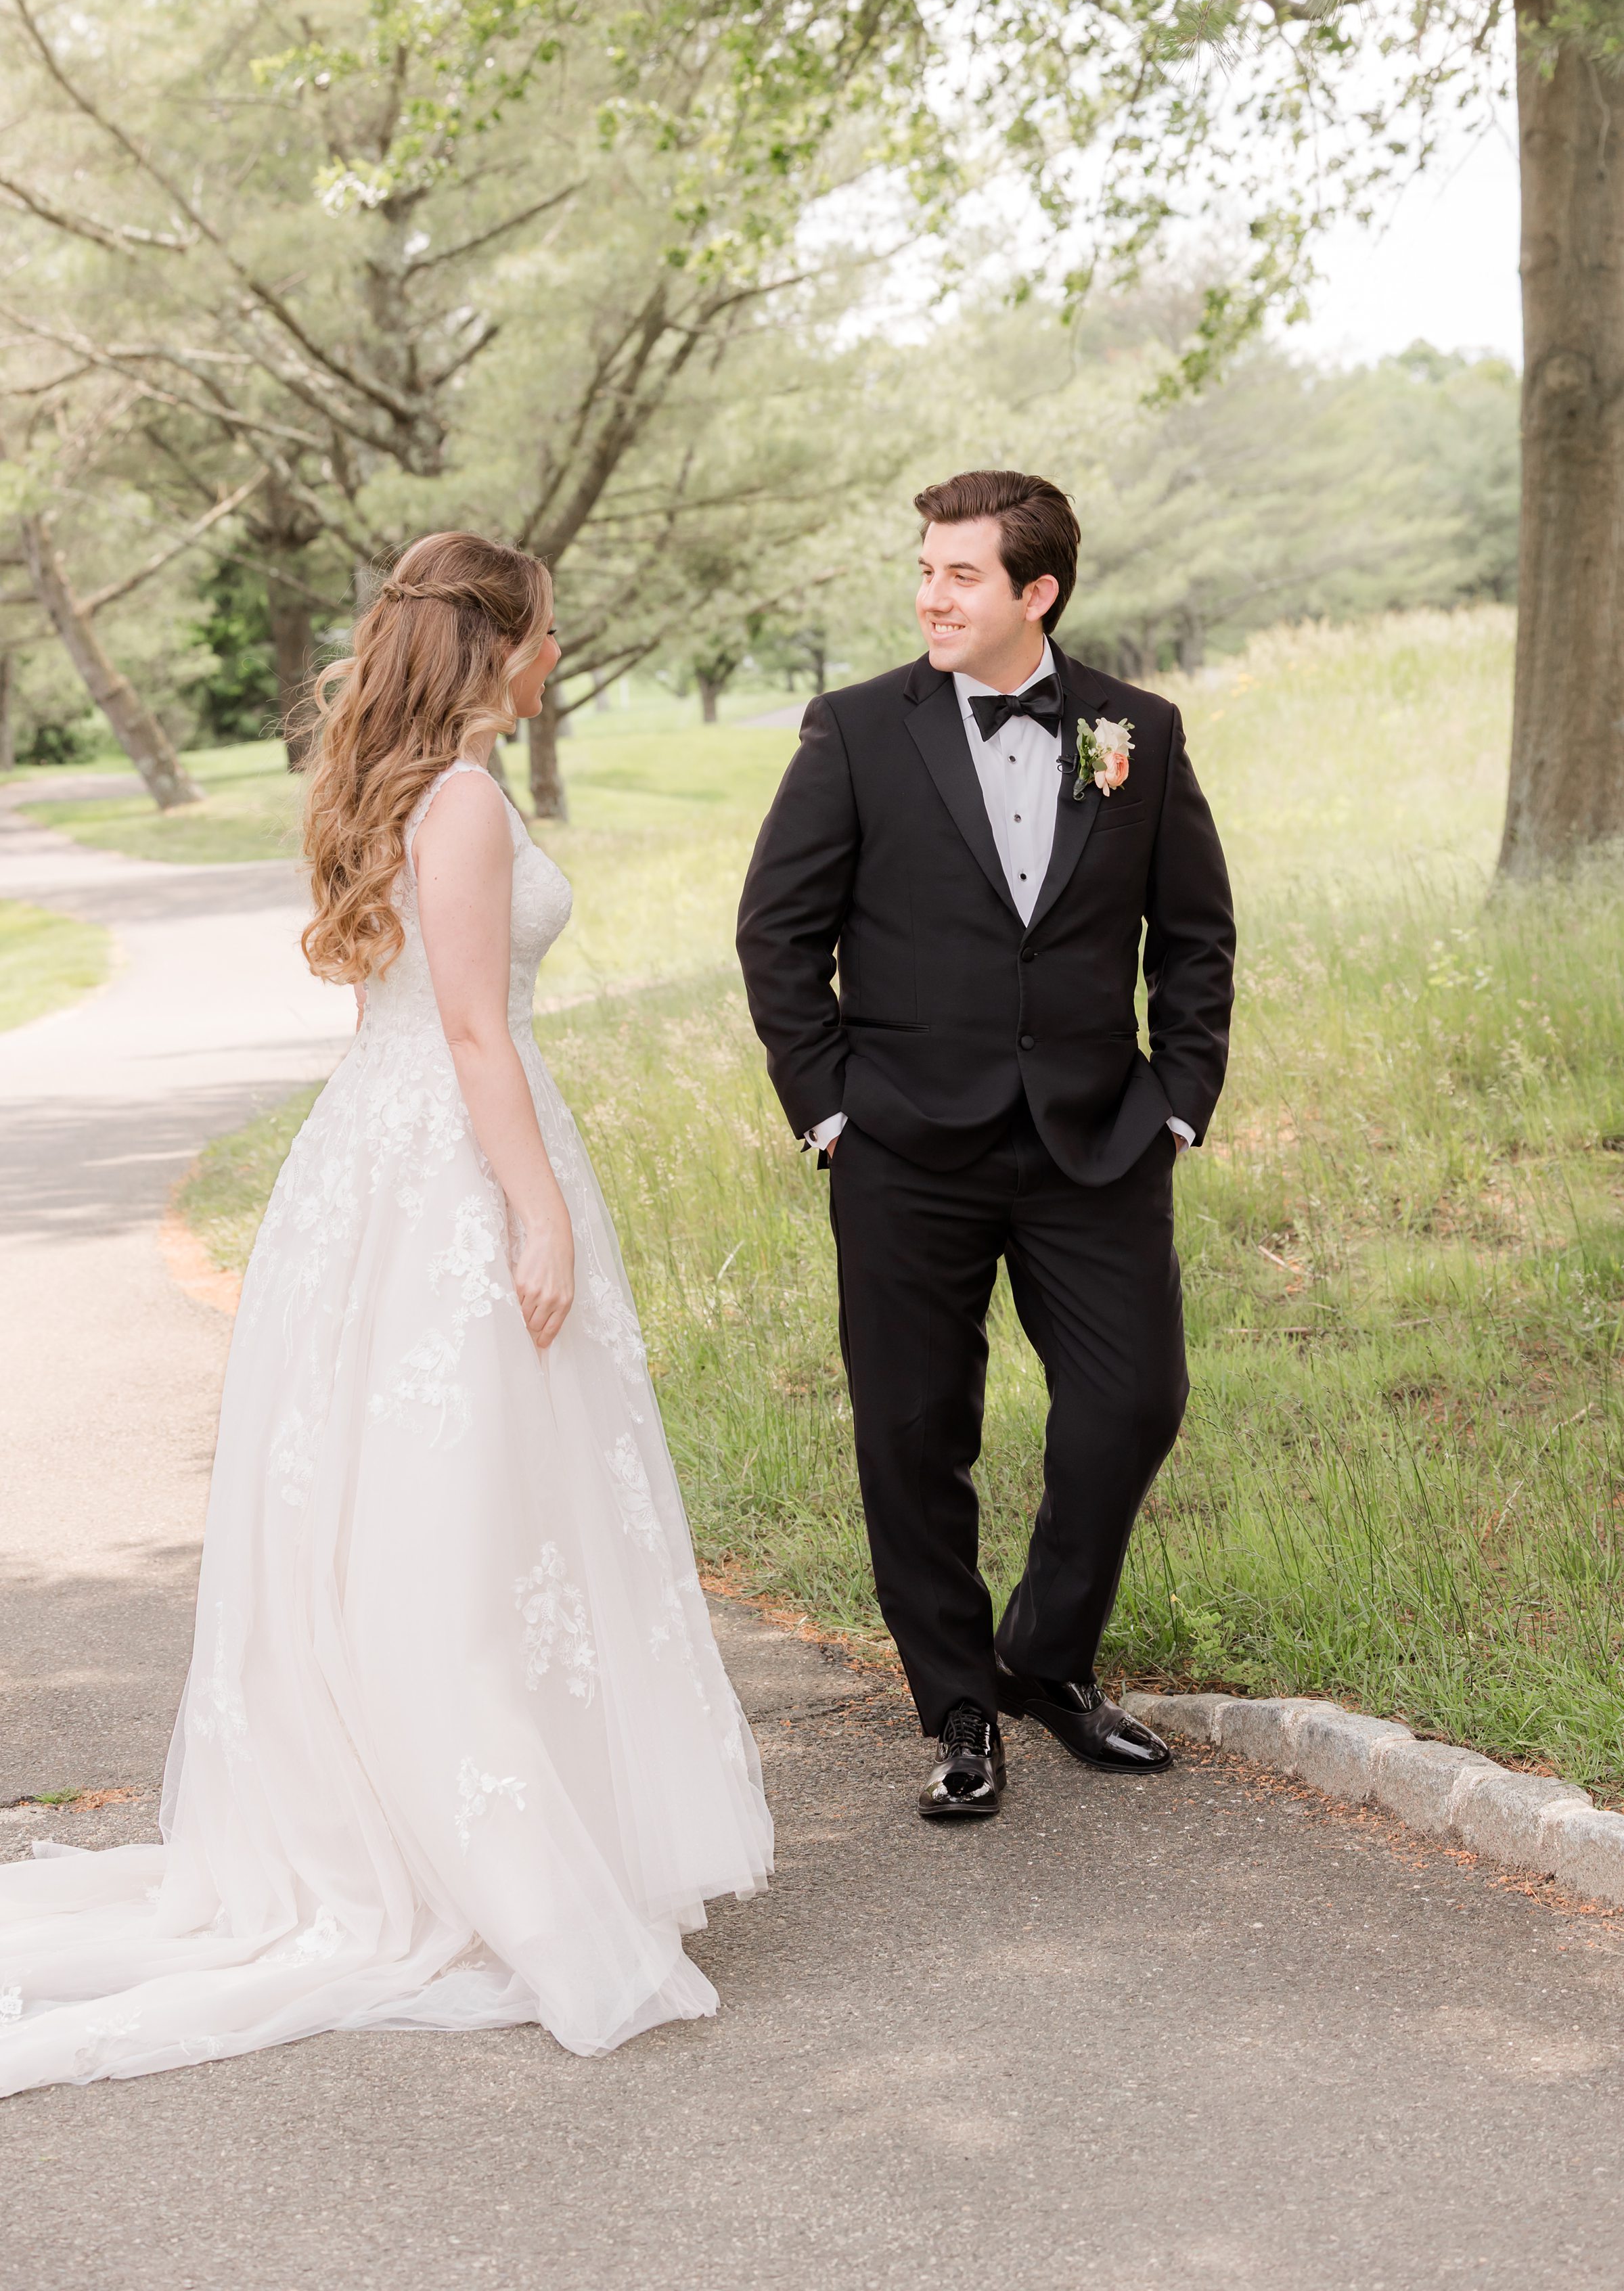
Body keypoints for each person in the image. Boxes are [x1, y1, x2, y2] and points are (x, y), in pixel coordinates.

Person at [0, 532, 771, 2095]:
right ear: (506, 640)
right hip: (452, 1171)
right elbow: (476, 1034)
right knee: (464, 1521)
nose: (559, 644)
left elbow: (393, 1018)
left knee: (420, 1513)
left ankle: (457, 1827)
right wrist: (536, 1209)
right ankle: (479, 1864)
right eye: (549, 624)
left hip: (374, 1158)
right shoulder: (469, 798)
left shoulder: (390, 782)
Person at [737, 471, 1234, 1821]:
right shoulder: (854, 732)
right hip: (902, 1146)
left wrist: (1177, 1101)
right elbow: (777, 934)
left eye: (959, 573)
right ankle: (960, 1708)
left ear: (1038, 592)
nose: (929, 595)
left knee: (1133, 1404)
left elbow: (1193, 936)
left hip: (1097, 1142)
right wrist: (831, 1110)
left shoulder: (1139, 731)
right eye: (924, 570)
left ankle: (1047, 1660)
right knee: (913, 1431)